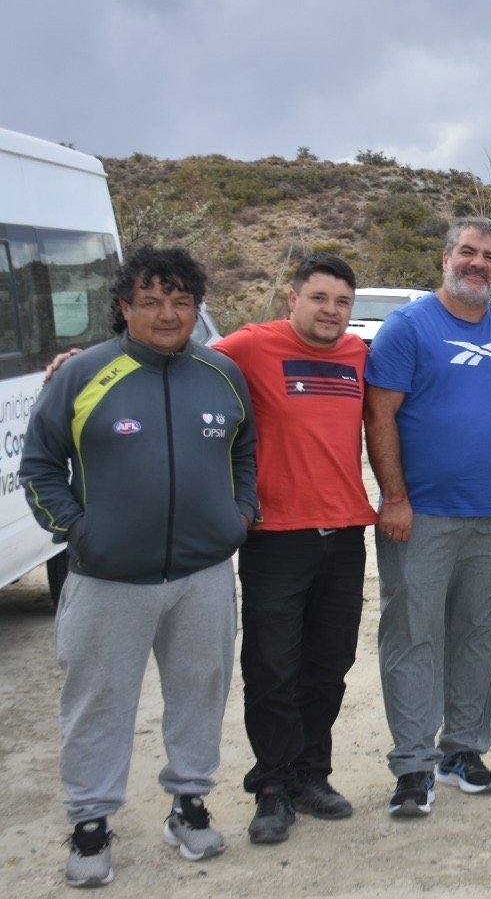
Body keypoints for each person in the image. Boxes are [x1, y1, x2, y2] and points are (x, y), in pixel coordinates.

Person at [22, 246, 257, 886]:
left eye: (181, 301)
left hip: (204, 573)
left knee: (200, 691)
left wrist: (239, 514)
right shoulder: (82, 374)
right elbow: (40, 464)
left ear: (196, 308)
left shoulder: (222, 375)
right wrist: (77, 531)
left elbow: (245, 454)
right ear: (124, 307)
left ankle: (188, 804)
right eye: (150, 301)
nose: (167, 313)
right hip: (107, 577)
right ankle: (91, 824)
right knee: (98, 701)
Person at [364, 217, 491, 817]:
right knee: (413, 636)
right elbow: (378, 417)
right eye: (468, 252)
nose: (478, 264)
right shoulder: (408, 327)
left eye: (490, 256)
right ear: (446, 257)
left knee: (482, 637)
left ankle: (463, 749)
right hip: (422, 515)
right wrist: (394, 497)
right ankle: (412, 764)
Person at [213, 253, 376, 843]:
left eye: (342, 302)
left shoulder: (360, 354)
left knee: (328, 665)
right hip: (275, 537)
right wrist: (83, 362)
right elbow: (175, 359)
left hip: (345, 533)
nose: (331, 311)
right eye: (319, 298)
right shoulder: (252, 346)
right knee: (272, 666)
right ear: (293, 299)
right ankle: (273, 786)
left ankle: (313, 774)